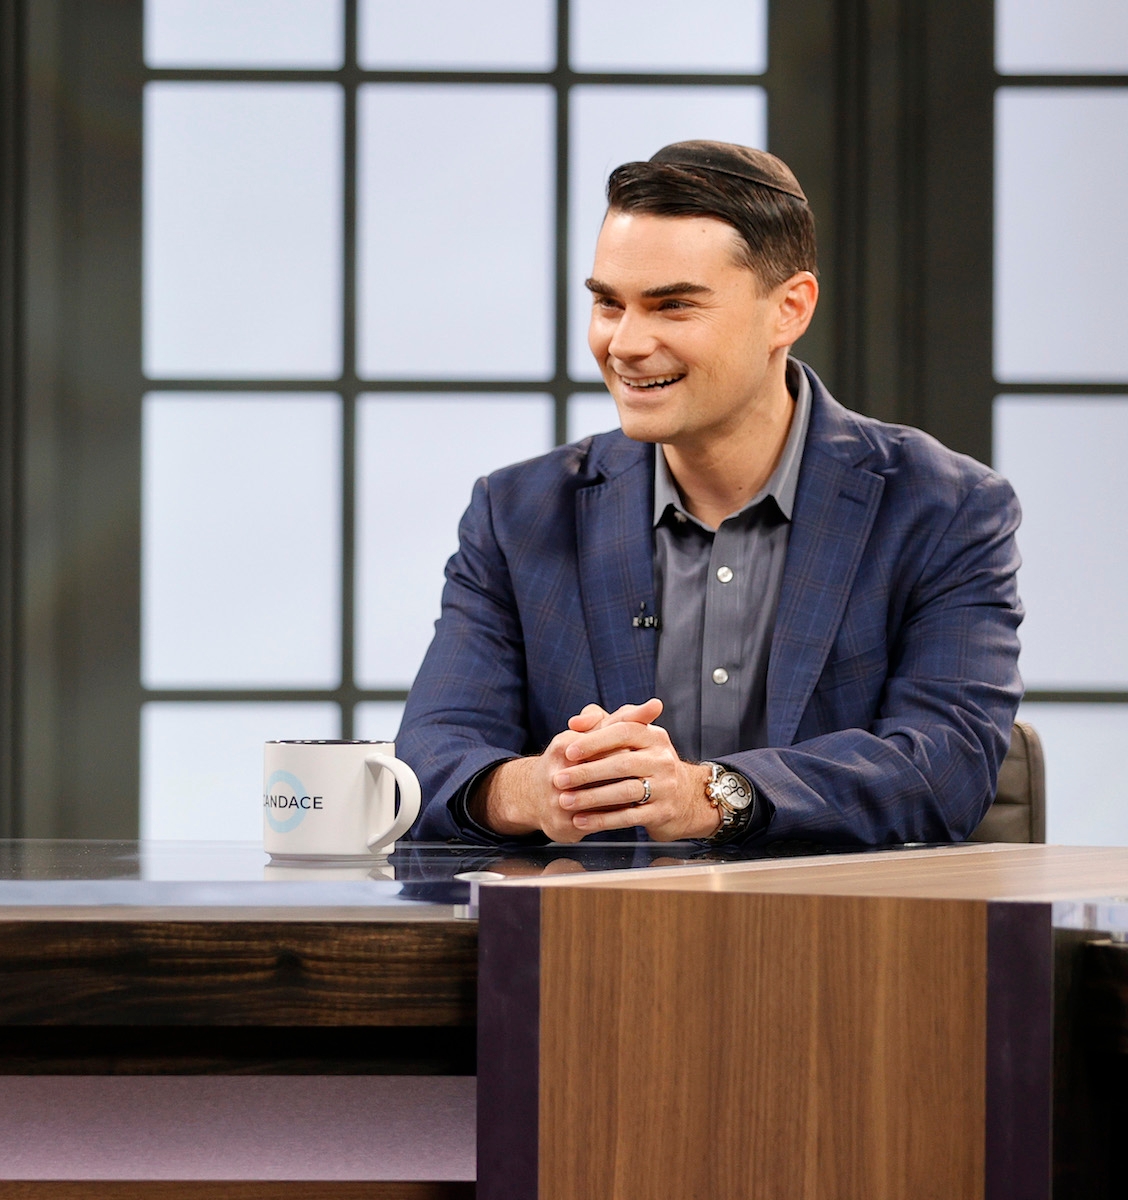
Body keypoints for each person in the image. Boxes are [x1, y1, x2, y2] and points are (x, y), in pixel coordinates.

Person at [397, 141, 1021, 846]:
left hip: (843, 940)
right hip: (588, 943)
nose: (625, 344)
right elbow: (430, 756)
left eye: (671, 307)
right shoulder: (516, 513)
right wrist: (538, 790)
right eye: (609, 304)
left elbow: (949, 766)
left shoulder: (945, 508)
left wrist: (709, 796)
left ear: (789, 309)